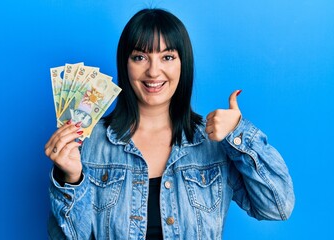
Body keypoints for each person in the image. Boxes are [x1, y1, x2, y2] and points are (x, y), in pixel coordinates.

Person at [45, 8, 295, 240]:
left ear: (183, 64)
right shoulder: (90, 141)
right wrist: (70, 178)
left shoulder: (215, 142)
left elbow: (277, 207)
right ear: (125, 64)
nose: (154, 72)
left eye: (167, 57)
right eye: (140, 57)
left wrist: (239, 133)